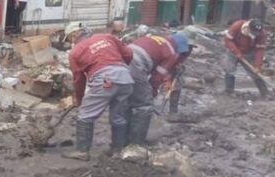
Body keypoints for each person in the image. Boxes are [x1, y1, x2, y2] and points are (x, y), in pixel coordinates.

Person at [62, 22, 135, 161]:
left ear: (75, 35)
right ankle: (117, 151)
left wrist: (79, 98)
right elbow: (129, 53)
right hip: (126, 78)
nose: (71, 42)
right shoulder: (107, 37)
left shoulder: (75, 52)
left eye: (70, 39)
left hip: (105, 80)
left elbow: (78, 79)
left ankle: (82, 151)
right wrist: (121, 68)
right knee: (118, 116)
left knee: (85, 115)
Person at [124, 33, 191, 145]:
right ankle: (136, 143)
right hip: (135, 66)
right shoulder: (171, 53)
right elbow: (156, 78)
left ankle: (121, 140)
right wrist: (152, 92)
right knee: (144, 105)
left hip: (118, 62)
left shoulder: (154, 39)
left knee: (126, 99)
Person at [222, 18, 266, 94]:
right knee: (230, 70)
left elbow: (259, 50)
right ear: (248, 28)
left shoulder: (262, 34)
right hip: (233, 51)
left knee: (255, 73)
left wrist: (258, 65)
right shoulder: (237, 26)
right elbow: (228, 40)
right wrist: (236, 52)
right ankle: (229, 92)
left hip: (249, 52)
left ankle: (265, 93)